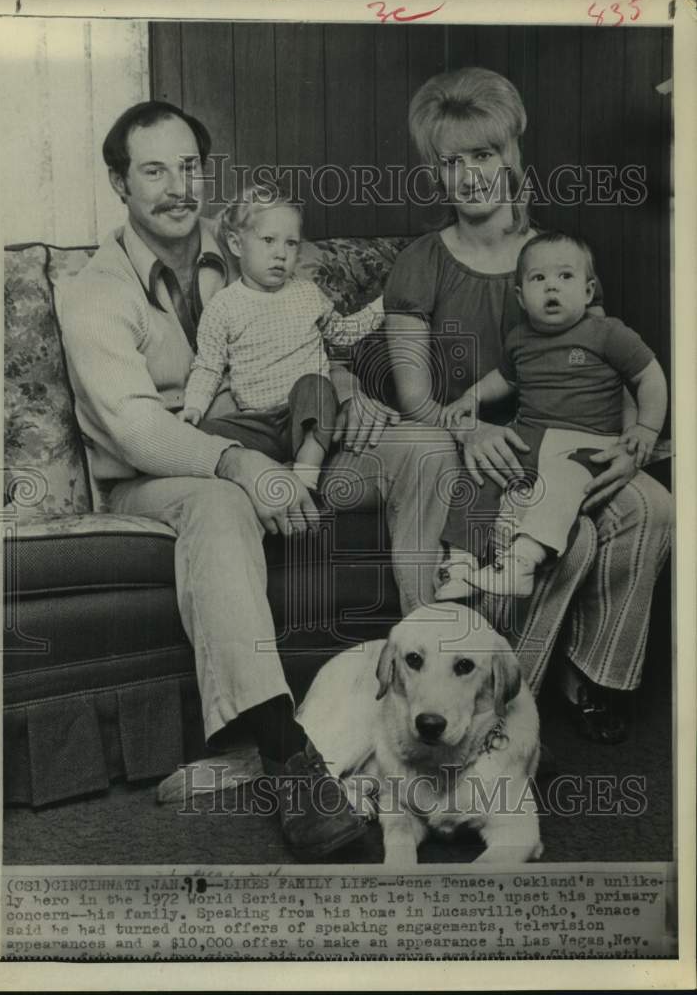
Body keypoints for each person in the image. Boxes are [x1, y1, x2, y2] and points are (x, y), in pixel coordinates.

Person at [60, 101, 458, 859]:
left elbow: (307, 338)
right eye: (154, 171)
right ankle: (287, 758)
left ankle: (440, 691)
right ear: (119, 184)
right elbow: (135, 428)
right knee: (217, 501)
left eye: (189, 168)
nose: (179, 187)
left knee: (423, 450)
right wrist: (242, 466)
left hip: (278, 442)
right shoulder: (92, 291)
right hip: (160, 474)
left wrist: (345, 387)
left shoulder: (250, 246)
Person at [383, 68, 672, 743]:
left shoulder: (551, 259)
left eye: (482, 155)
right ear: (435, 173)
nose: (469, 175)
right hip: (479, 446)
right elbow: (415, 401)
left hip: (562, 441)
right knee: (570, 535)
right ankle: (509, 711)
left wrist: (632, 444)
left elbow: (607, 362)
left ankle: (592, 675)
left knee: (655, 505)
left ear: (511, 154)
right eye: (449, 162)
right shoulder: (420, 262)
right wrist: (468, 429)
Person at [435, 231, 667, 599]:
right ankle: (460, 563)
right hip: (532, 436)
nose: (551, 288)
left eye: (565, 277)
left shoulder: (607, 333)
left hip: (588, 442)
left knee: (561, 484)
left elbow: (649, 376)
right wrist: (472, 396)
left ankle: (522, 564)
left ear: (588, 292)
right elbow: (505, 378)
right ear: (521, 297)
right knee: (483, 470)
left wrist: (646, 429)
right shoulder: (520, 339)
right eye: (538, 279)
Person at [180, 184, 382, 495]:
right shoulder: (223, 306)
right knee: (205, 435)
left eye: (291, 244)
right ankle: (271, 468)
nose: (281, 254)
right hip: (258, 422)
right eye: (268, 241)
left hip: (306, 417)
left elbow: (342, 333)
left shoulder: (305, 293)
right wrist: (194, 405)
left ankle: (305, 476)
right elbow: (208, 366)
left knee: (315, 385)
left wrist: (382, 307)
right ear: (236, 244)